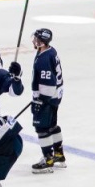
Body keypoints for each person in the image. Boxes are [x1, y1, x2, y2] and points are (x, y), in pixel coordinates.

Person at [29, 27, 66, 173]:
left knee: (41, 128)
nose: (34, 40)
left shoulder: (44, 58)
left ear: (42, 42)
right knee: (51, 125)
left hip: (48, 97)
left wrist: (40, 100)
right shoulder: (50, 51)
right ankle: (59, 155)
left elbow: (48, 83)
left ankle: (48, 159)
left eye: (37, 39)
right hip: (56, 96)